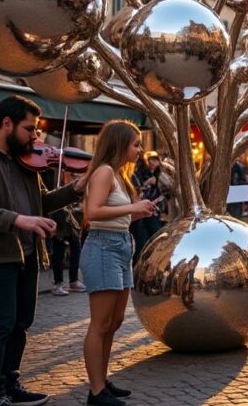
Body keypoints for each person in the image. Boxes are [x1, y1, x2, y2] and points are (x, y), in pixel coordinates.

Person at [0, 95, 86, 406]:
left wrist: (74, 190)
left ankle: (10, 384)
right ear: (7, 123)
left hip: (28, 253)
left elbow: (42, 202)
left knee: (21, 324)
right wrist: (17, 219)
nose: (35, 136)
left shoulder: (25, 160)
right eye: (30, 128)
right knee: (0, 323)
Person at [80, 121, 156, 406]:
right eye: (136, 144)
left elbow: (113, 213)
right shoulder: (103, 172)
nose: (140, 149)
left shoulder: (119, 175)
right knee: (100, 323)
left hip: (121, 246)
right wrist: (133, 207)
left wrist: (136, 213)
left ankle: (102, 380)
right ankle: (96, 391)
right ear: (119, 144)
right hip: (103, 247)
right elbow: (93, 212)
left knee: (115, 321)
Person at [49, 171, 86, 297]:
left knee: (76, 246)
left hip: (73, 213)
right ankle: (58, 282)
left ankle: (73, 280)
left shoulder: (72, 174)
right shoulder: (56, 173)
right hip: (59, 212)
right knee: (58, 247)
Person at [129, 152, 163, 263]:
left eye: (156, 160)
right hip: (138, 212)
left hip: (147, 209)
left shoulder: (158, 173)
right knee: (142, 240)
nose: (154, 162)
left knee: (151, 235)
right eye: (152, 160)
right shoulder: (136, 174)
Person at [228, 153, 248, 219]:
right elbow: (235, 182)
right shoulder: (237, 166)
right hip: (235, 194)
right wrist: (245, 181)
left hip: (235, 194)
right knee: (236, 215)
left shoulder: (239, 166)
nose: (244, 156)